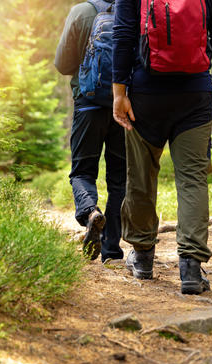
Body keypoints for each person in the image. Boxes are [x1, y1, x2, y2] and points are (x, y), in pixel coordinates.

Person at [112, 0, 212, 294]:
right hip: (194, 93)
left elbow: (123, 34)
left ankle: (142, 257)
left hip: (145, 95)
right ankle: (190, 268)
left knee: (141, 176)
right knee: (192, 179)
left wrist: (119, 92)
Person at [55, 0, 127, 262]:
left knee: (82, 171)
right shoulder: (134, 9)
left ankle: (89, 212)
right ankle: (112, 251)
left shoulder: (81, 12)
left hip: (88, 104)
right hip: (125, 106)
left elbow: (63, 64)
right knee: (120, 179)